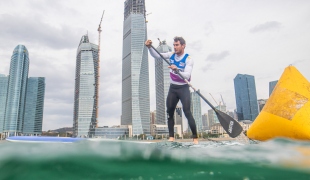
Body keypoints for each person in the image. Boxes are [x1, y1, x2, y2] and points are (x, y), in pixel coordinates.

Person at [145, 36, 198, 144]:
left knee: (187, 112)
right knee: (169, 112)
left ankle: (195, 138)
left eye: (177, 45)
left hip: (183, 88)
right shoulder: (171, 55)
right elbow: (157, 56)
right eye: (174, 45)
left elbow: (187, 75)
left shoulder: (189, 59)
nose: (175, 47)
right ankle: (171, 137)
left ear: (183, 46)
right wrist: (149, 47)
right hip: (173, 88)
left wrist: (177, 69)